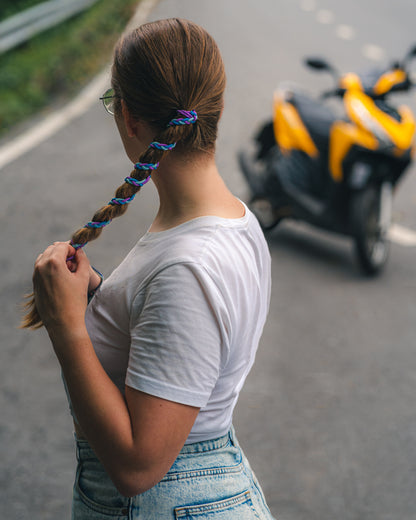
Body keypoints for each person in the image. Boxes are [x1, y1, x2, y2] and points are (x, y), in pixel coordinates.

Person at [24, 18, 274, 519]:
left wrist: (67, 326)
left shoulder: (187, 269)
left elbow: (138, 467)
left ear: (131, 118)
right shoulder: (234, 224)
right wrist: (99, 297)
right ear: (215, 107)